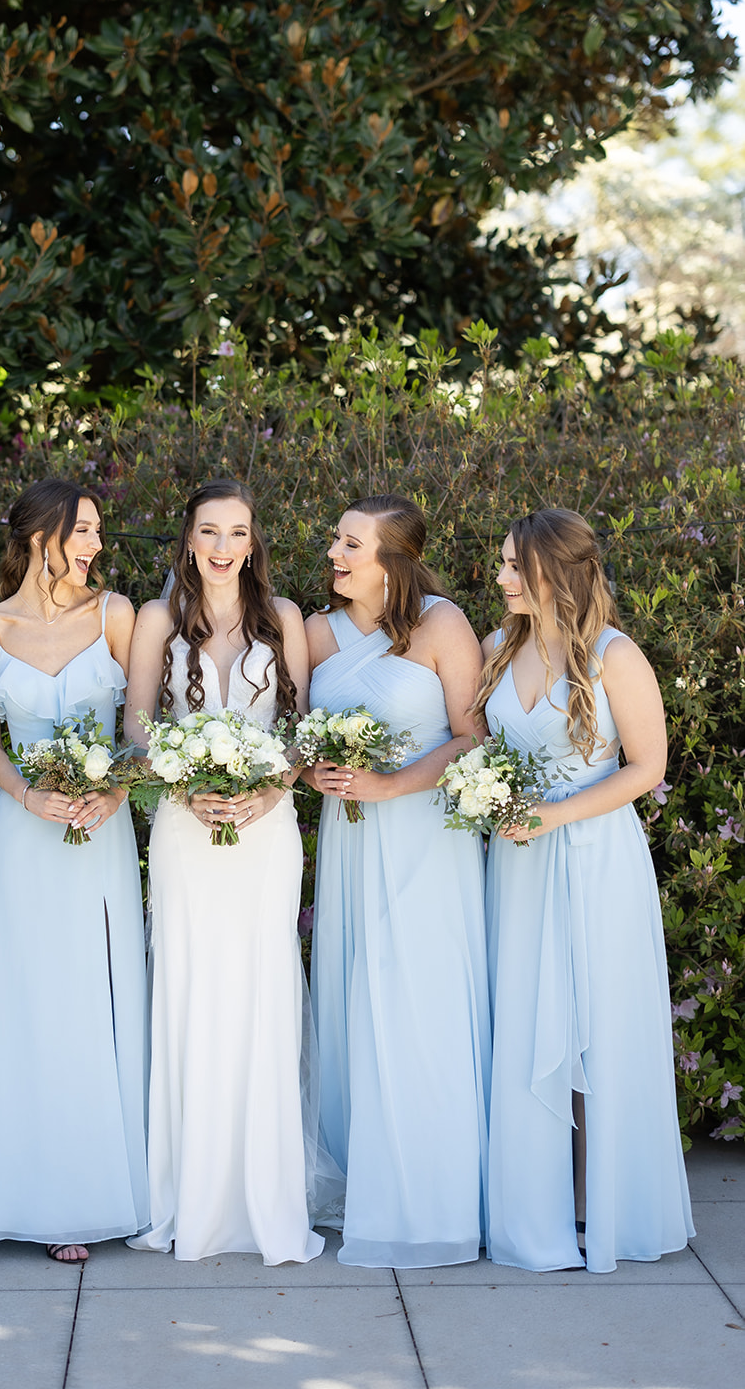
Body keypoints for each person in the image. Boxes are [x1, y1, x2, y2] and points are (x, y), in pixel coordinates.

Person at [481, 508, 694, 1273]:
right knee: (529, 1020)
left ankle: (604, 1204)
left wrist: (554, 815)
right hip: (518, 866)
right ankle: (535, 1204)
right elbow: (481, 751)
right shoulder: (497, 648)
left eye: (514, 565)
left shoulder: (614, 654)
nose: (501, 577)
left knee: (598, 1027)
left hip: (595, 858)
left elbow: (648, 766)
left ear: (554, 571)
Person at [125, 478, 324, 1265]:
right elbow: (137, 726)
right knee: (190, 988)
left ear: (253, 542)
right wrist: (185, 787)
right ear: (188, 538)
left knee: (260, 989)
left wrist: (269, 792)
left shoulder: (285, 619)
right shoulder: (156, 619)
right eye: (209, 531)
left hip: (267, 833)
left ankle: (263, 1196)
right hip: (184, 829)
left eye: (237, 532)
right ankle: (191, 1193)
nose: (222, 546)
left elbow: (302, 731)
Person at [0, 478, 147, 1263]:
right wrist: (28, 796)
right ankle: (34, 1197)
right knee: (30, 999)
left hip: (102, 827)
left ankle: (110, 1189)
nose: (97, 543)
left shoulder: (116, 614)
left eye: (98, 530)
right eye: (84, 530)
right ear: (43, 537)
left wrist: (115, 791)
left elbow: (138, 727)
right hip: (24, 831)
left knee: (100, 992)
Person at [304, 494, 490, 1268]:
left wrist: (392, 784)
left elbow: (472, 738)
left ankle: (431, 1191)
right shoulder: (316, 631)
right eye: (336, 540)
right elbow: (294, 735)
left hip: (425, 841)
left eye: (352, 544)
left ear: (394, 559)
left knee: (419, 999)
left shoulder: (442, 624)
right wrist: (313, 771)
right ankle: (359, 1179)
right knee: (352, 996)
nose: (335, 554)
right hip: (349, 842)